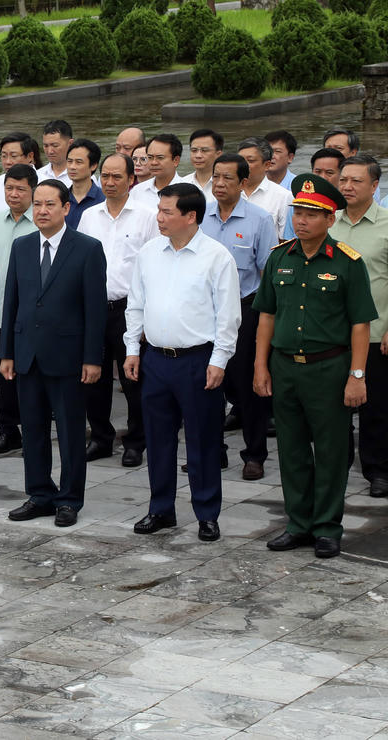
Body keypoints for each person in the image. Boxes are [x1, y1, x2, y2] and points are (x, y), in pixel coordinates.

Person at [255, 174, 377, 559]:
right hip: (286, 366)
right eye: (298, 212)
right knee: (290, 450)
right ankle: (298, 523)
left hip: (329, 368)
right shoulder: (279, 257)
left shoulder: (347, 262)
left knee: (329, 451)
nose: (301, 220)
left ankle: (327, 527)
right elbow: (266, 318)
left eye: (311, 214)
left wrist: (357, 376)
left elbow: (361, 324)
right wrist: (261, 366)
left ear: (329, 219)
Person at [123, 183, 240, 542]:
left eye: (167, 212)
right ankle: (160, 509)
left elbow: (228, 316)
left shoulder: (217, 257)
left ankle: (207, 513)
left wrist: (220, 360)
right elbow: (136, 304)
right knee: (158, 438)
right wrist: (132, 348)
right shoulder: (148, 252)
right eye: (158, 210)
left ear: (190, 216)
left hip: (198, 360)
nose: (159, 218)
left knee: (203, 439)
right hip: (156, 359)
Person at [0, 180, 106, 527]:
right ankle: (40, 494)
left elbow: (95, 309)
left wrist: (92, 358)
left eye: (49, 205)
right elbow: (11, 302)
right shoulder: (22, 246)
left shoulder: (87, 248)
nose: (42, 211)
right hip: (27, 353)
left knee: (72, 432)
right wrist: (7, 353)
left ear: (66, 208)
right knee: (32, 429)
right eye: (38, 205)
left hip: (68, 357)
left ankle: (69, 499)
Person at [201, 153, 277, 480]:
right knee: (206, 384)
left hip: (246, 309)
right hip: (204, 311)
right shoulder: (199, 217)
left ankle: (254, 454)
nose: (219, 184)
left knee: (246, 386)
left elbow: (267, 275)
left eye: (227, 178)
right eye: (215, 177)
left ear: (243, 183)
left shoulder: (259, 220)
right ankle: (212, 452)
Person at [77, 153, 156, 468]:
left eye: (116, 177)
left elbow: (154, 266)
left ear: (130, 179)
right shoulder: (89, 216)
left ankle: (136, 442)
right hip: (94, 308)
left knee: (133, 378)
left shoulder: (147, 216)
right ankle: (100, 437)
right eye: (105, 177)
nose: (109, 183)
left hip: (129, 309)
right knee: (92, 376)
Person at [331, 155, 388, 497]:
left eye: (356, 181)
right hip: (332, 335)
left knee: (376, 407)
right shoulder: (328, 222)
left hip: (376, 332)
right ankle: (336, 465)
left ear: (375, 185)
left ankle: (378, 470)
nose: (348, 187)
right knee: (334, 406)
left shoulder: (386, 224)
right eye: (344, 180)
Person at [0, 163, 39, 455]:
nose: (13, 194)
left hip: (33, 316)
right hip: (0, 311)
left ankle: (34, 430)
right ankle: (7, 429)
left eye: (20, 189)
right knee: (4, 375)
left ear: (33, 191)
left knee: (30, 375)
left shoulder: (41, 222)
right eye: (9, 188)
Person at [237, 137, 291, 238]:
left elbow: (286, 239)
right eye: (240, 160)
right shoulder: (228, 192)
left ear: (267, 165)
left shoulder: (283, 197)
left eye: (250, 160)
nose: (242, 165)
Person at [0, 132, 40, 216]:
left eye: (13, 156)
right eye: (4, 156)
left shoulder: (45, 183)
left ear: (30, 156)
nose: (7, 162)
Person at [129, 133, 186, 211]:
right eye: (150, 157)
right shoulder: (137, 191)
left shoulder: (189, 192)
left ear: (176, 160)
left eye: (160, 158)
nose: (154, 162)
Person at [65, 139, 103, 229]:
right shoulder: (60, 198)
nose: (72, 167)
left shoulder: (104, 200)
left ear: (93, 165)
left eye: (79, 162)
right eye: (69, 161)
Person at [187, 129, 223, 198]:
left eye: (204, 150)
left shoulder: (227, 185)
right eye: (194, 150)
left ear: (218, 154)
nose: (198, 155)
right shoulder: (182, 183)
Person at [37, 119, 73, 185]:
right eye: (46, 146)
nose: (50, 151)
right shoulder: (37, 176)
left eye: (55, 145)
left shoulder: (83, 177)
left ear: (70, 143)